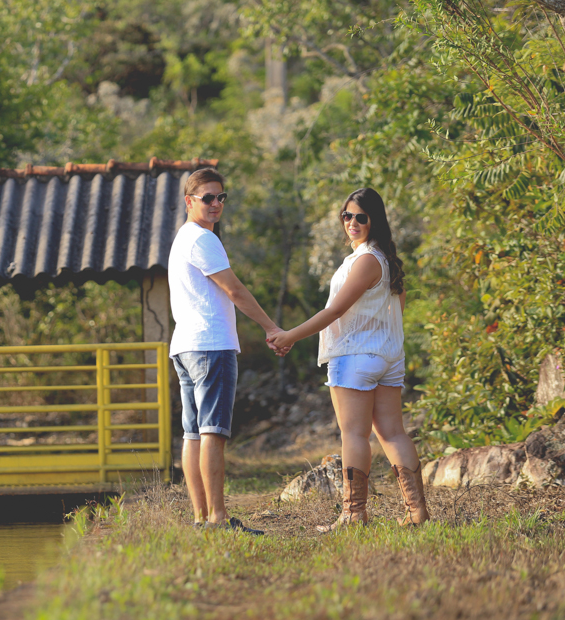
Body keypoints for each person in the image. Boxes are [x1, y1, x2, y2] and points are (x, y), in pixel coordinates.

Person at [268, 187, 429, 530]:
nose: (352, 223)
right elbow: (395, 312)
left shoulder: (366, 260)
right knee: (393, 433)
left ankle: (354, 514)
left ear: (374, 221)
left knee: (354, 435)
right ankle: (417, 512)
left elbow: (335, 310)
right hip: (387, 357)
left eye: (361, 217)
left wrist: (290, 336)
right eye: (347, 216)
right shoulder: (384, 261)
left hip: (356, 358)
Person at [169, 167, 283, 532]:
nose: (216, 204)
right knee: (212, 432)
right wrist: (271, 327)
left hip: (185, 346)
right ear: (190, 201)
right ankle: (217, 518)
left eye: (221, 197)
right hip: (210, 346)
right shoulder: (203, 240)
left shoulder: (183, 238)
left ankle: (202, 517)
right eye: (208, 198)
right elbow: (235, 290)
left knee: (192, 432)